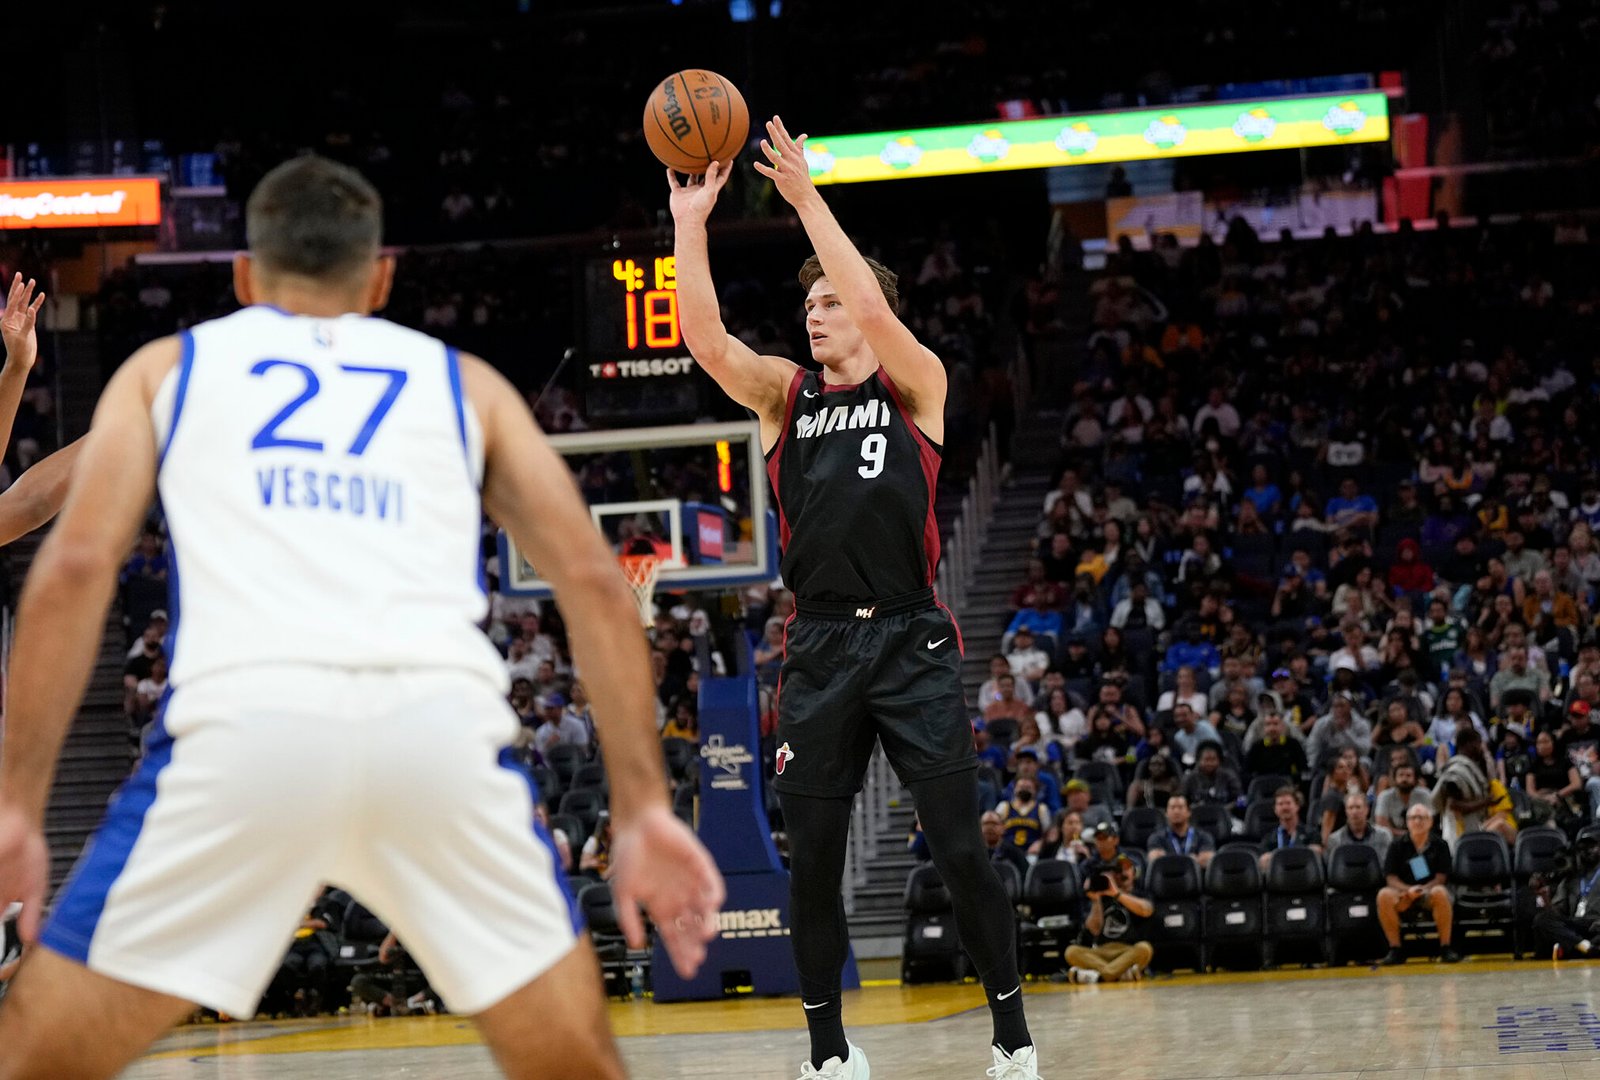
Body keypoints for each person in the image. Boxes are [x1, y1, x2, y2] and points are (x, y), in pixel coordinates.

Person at [0, 157, 723, 1080]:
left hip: (243, 743)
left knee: (32, 1061)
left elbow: (71, 569)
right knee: (579, 1065)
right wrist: (646, 809)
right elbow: (588, 577)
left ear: (243, 279)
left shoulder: (171, 370)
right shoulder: (465, 384)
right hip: (436, 741)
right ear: (380, 278)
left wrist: (19, 806)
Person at [670, 122, 1037, 1079]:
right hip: (821, 648)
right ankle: (830, 1055)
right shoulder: (783, 399)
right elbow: (704, 339)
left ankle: (1012, 1040)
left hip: (912, 642)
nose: (818, 314)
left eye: (832, 301)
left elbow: (871, 300)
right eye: (812, 304)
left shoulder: (919, 387)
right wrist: (689, 224)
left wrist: (804, 198)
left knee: (960, 849)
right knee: (813, 865)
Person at [1378, 806, 1462, 964]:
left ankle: (1445, 947)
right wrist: (1408, 890)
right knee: (1384, 895)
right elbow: (1391, 878)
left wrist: (1423, 890)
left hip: (1429, 892)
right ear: (1407, 822)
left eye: (1421, 817)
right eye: (1413, 818)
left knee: (1440, 892)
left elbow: (1442, 877)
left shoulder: (1440, 844)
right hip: (1404, 893)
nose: (1417, 821)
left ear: (1430, 822)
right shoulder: (1396, 846)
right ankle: (1395, 949)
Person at [1063, 849, 1154, 984]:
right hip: (1101, 952)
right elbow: (1094, 929)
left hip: (1128, 951)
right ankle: (1119, 974)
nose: (1122, 873)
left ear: (1134, 872)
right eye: (1117, 870)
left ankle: (1097, 976)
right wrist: (1096, 899)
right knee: (1071, 951)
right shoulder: (1101, 895)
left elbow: (1146, 910)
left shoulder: (1140, 893)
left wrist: (1117, 894)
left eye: (1126, 868)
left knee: (1145, 949)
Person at [1532, 825, 1600, 960]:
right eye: (1583, 848)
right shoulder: (1571, 877)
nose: (1587, 851)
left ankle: (1574, 949)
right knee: (1541, 920)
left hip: (1597, 923)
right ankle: (1586, 948)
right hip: (1576, 925)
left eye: (1592, 847)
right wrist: (1543, 895)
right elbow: (1556, 913)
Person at [1146, 793, 1216, 868]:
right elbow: (1155, 860)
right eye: (1172, 808)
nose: (1176, 811)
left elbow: (1208, 860)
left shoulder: (1203, 836)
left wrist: (1168, 858)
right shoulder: (1156, 837)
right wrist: (1192, 859)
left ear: (1189, 812)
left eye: (1180, 807)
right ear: (1166, 813)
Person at [1258, 787, 1320, 870]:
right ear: (1275, 810)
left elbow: (1317, 852)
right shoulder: (1269, 838)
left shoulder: (1311, 833)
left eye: (1288, 803)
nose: (1284, 807)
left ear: (1297, 806)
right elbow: (1263, 861)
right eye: (1280, 804)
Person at [1325, 792, 1391, 861]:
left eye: (1358, 807)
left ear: (1366, 809)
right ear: (1346, 811)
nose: (1354, 812)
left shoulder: (1383, 836)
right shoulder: (1335, 840)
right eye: (1350, 808)